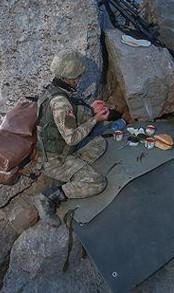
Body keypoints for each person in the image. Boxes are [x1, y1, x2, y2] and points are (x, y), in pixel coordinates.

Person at [32, 50, 110, 227]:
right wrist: (95, 120)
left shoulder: (53, 90)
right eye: (78, 75)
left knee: (99, 144)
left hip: (59, 150)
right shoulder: (60, 102)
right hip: (55, 160)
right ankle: (48, 197)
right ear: (70, 77)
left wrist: (90, 109)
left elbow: (66, 120)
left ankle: (75, 171)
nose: (80, 78)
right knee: (98, 182)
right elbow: (72, 138)